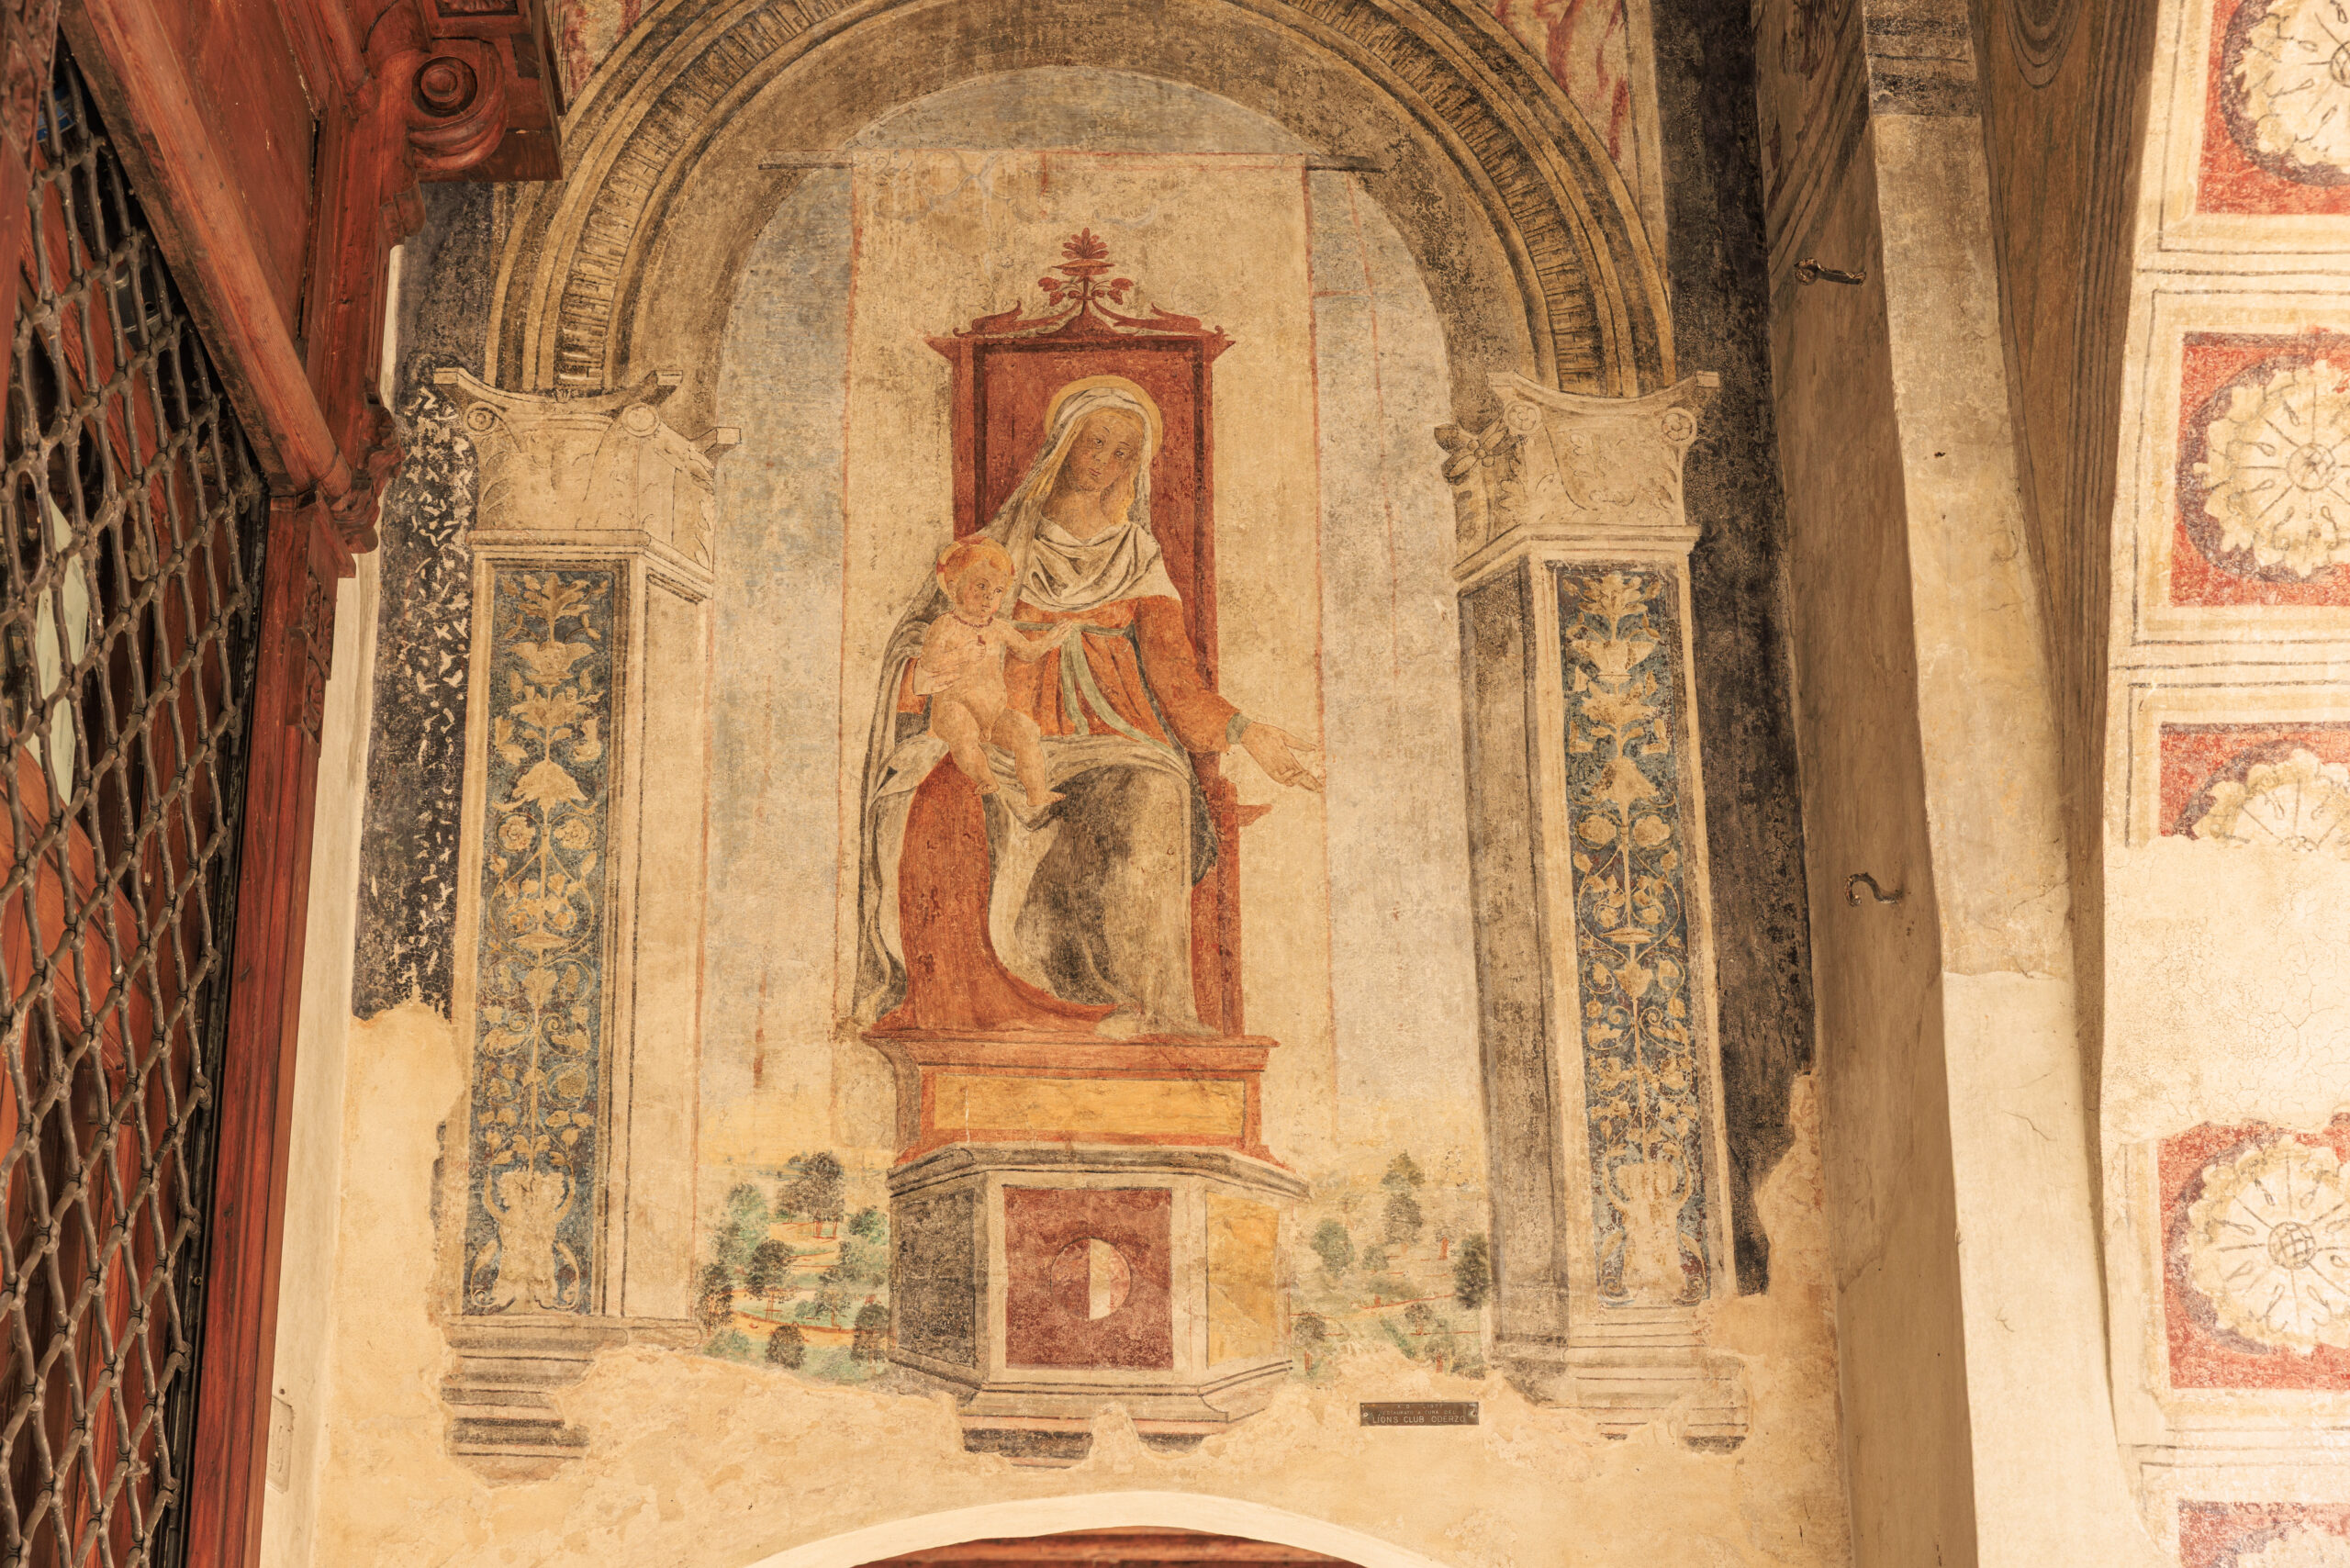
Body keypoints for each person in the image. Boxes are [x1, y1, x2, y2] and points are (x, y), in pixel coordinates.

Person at [857, 375, 1321, 1040]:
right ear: (1064, 444)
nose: (1105, 461)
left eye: (1124, 452)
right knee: (950, 788)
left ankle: (1156, 1010)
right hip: (1006, 731)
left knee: (1157, 790)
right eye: (1095, 442)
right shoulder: (1002, 548)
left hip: (1121, 734)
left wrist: (1246, 732)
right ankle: (1011, 998)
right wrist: (939, 674)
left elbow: (1176, 681)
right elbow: (922, 637)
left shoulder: (1137, 555)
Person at [913, 536, 1076, 811]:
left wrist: (1050, 640)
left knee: (1026, 731)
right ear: (954, 587)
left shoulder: (997, 628)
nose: (989, 597)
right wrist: (961, 655)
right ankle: (985, 778)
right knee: (964, 731)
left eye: (998, 590)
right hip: (954, 709)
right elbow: (928, 663)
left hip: (994, 716)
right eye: (981, 586)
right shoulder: (945, 625)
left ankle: (1037, 793)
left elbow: (1027, 652)